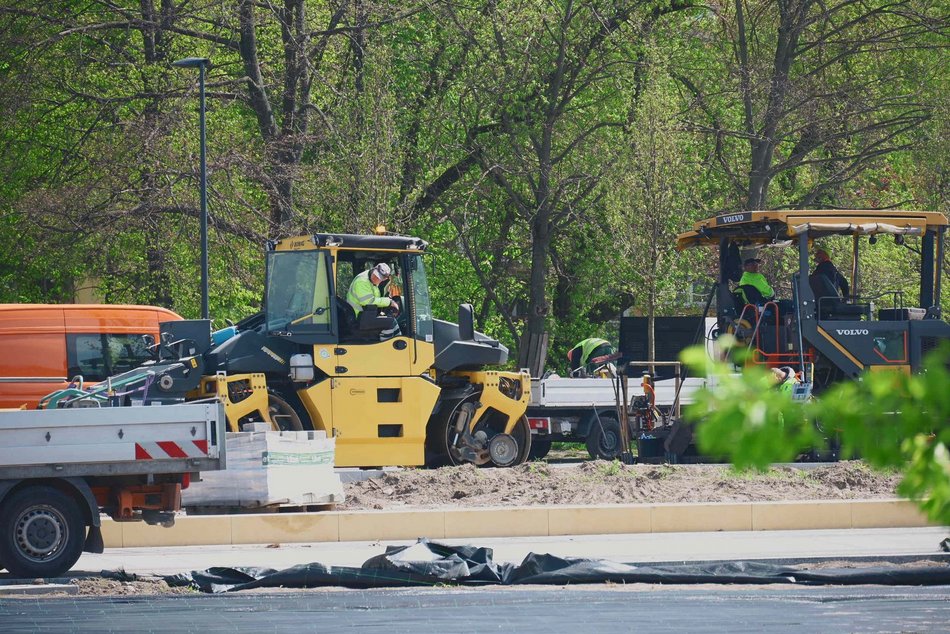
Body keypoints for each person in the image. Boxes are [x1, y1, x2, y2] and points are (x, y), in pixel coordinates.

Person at [346, 262, 400, 339]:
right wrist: (389, 302)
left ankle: (397, 340)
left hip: (364, 315)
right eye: (375, 275)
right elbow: (369, 302)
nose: (375, 278)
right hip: (357, 318)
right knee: (390, 323)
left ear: (384, 279)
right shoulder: (362, 281)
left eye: (378, 278)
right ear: (373, 269)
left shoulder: (371, 281)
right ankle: (388, 346)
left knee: (392, 321)